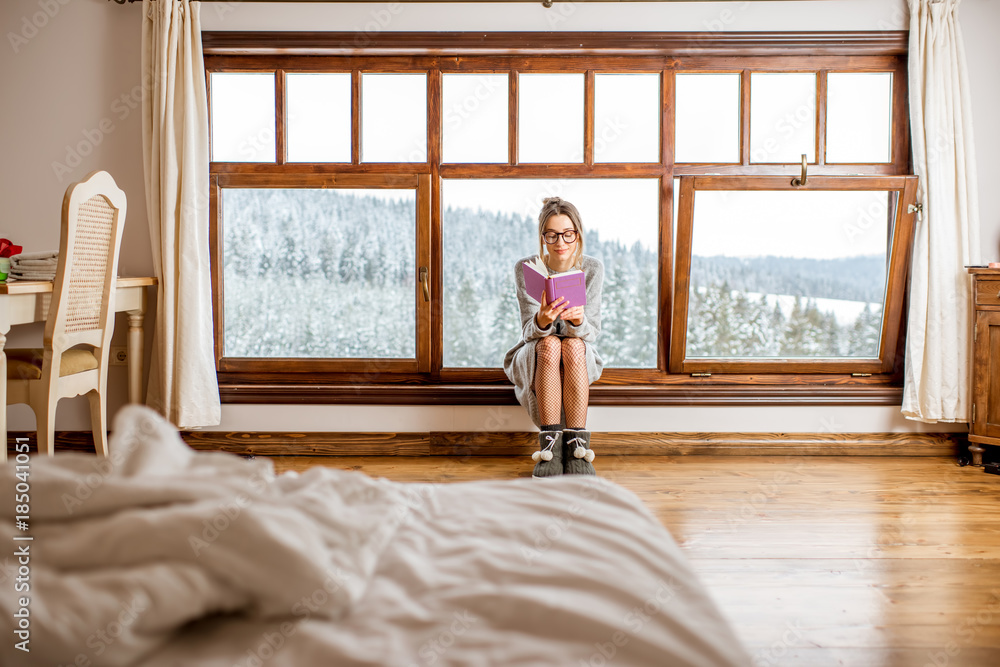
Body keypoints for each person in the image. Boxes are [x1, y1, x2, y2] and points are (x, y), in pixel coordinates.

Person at [503, 197, 604, 478]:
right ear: (543, 237)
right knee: (549, 344)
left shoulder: (592, 269)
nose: (561, 242)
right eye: (552, 234)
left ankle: (577, 450)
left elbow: (591, 332)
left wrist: (578, 320)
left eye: (568, 234)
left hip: (577, 346)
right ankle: (549, 449)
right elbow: (527, 332)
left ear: (578, 234)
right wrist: (542, 320)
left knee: (572, 346)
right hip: (536, 347)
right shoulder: (527, 267)